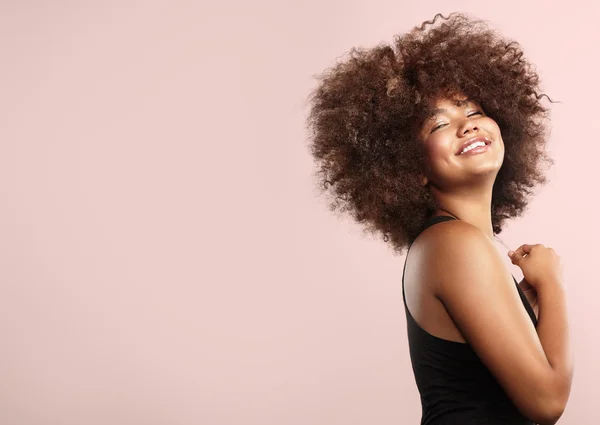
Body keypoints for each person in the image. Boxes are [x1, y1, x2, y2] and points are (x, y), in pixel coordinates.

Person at [306, 12, 572, 425]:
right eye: (440, 124)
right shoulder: (456, 244)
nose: (467, 125)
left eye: (474, 109)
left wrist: (530, 301)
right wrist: (551, 280)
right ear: (411, 168)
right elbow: (547, 402)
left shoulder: (455, 243)